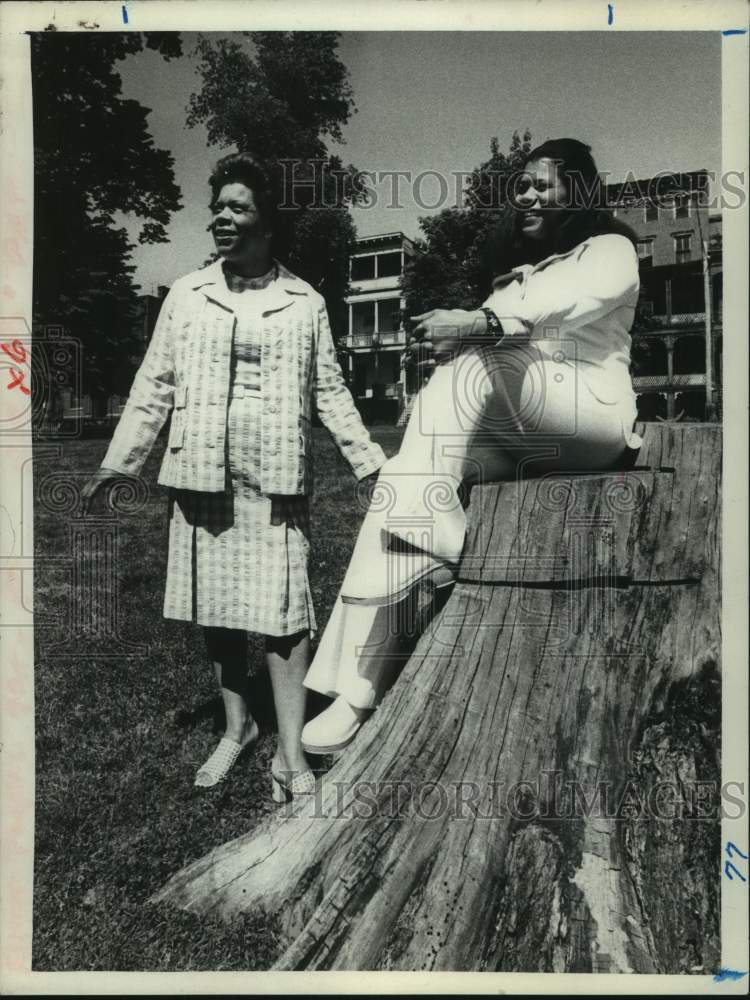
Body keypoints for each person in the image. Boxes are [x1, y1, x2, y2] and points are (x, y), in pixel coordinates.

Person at [301, 138, 643, 754]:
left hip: (592, 416)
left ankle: (440, 552)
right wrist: (446, 340)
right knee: (406, 471)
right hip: (519, 433)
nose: (528, 194)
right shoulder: (518, 272)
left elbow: (556, 308)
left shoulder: (610, 248)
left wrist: (475, 326)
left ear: (582, 192)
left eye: (545, 184)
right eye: (523, 186)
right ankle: (356, 688)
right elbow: (488, 331)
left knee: (473, 369)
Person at [82, 153, 386, 797]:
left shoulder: (304, 300)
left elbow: (328, 389)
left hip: (274, 475)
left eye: (237, 206)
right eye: (217, 206)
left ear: (268, 222)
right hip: (201, 472)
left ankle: (292, 755)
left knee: (283, 614)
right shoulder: (189, 295)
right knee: (218, 608)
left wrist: (368, 463)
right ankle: (237, 729)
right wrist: (120, 462)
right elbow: (154, 383)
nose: (221, 216)